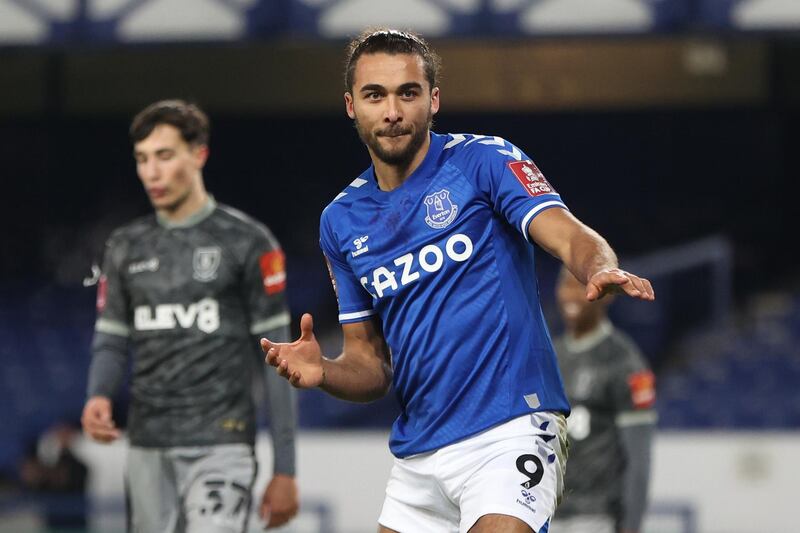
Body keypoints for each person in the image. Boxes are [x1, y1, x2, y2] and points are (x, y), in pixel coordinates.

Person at [261, 29, 655, 533]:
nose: (393, 111)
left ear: (434, 99)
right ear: (350, 105)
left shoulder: (482, 162)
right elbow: (370, 366)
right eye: (374, 95)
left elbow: (567, 233)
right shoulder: (340, 220)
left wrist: (597, 266)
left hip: (512, 428)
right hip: (419, 454)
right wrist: (326, 373)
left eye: (408, 92)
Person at [81, 100, 299, 532]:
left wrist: (286, 469)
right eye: (142, 159)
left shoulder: (249, 242)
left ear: (198, 154)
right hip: (147, 447)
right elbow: (111, 339)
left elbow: (280, 362)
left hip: (222, 443)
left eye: (164, 156)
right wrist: (98, 395)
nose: (151, 172)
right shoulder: (125, 247)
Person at [551, 268, 656, 533]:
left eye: (580, 286)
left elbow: (638, 460)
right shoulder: (550, 355)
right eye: (566, 285)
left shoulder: (626, 363)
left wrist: (631, 526)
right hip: (544, 511)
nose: (571, 295)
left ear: (606, 295)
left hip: (594, 516)